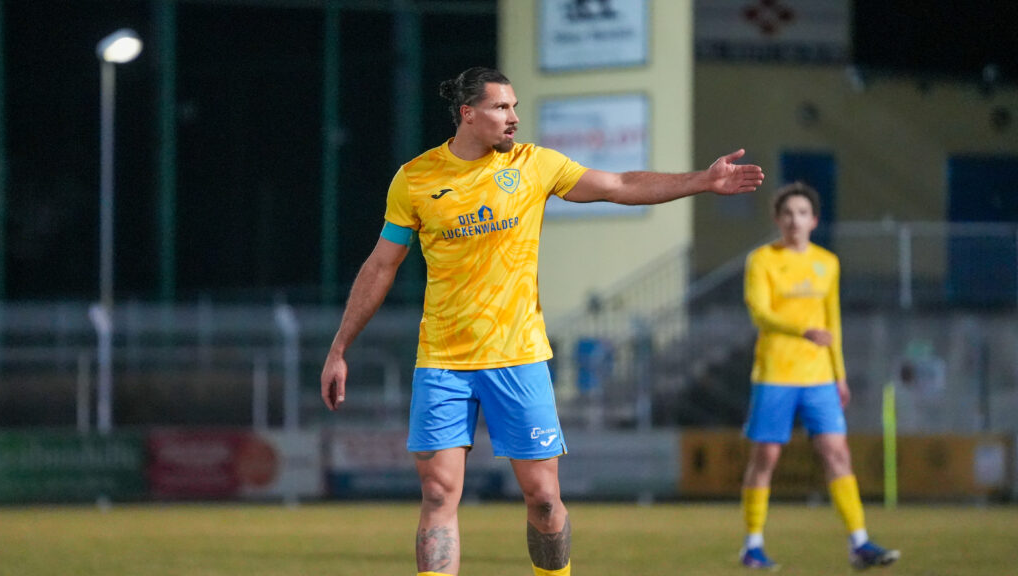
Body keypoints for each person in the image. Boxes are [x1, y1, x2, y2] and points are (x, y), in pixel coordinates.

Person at [320, 66, 764, 576]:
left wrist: (703, 181)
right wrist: (340, 348)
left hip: (519, 356)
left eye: (515, 108)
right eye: (501, 108)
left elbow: (619, 184)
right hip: (442, 359)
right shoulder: (415, 178)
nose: (513, 118)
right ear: (468, 115)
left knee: (545, 499)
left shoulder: (535, 165)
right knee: (439, 493)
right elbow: (382, 265)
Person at [739, 182, 900, 571]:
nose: (795, 220)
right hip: (775, 372)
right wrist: (801, 331)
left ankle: (859, 543)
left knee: (837, 452)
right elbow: (759, 313)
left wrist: (839, 374)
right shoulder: (761, 260)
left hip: (820, 377)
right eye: (787, 213)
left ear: (814, 220)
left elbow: (833, 324)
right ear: (778, 220)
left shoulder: (827, 262)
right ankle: (753, 544)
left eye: (802, 213)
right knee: (766, 457)